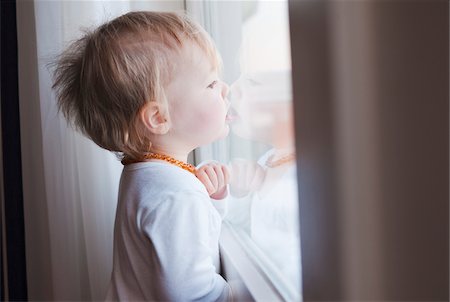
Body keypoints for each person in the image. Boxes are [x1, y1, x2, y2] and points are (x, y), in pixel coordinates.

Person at [51, 11, 233, 301]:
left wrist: (211, 201)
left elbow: (179, 247)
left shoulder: (146, 174)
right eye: (211, 84)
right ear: (159, 117)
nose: (224, 89)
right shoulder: (176, 194)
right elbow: (191, 293)